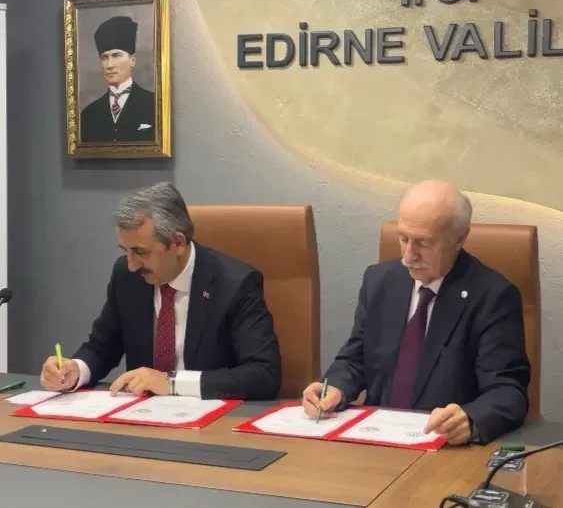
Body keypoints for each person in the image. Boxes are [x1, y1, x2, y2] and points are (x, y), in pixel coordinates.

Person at [302, 180, 530, 445]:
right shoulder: (380, 281)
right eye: (403, 238)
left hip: (443, 445)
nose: (409, 256)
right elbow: (356, 359)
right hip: (374, 438)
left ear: (459, 238)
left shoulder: (493, 296)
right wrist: (334, 388)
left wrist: (471, 418)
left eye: (423, 242)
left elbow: (507, 391)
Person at [40, 182, 282, 400]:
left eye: (141, 252)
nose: (132, 265)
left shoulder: (235, 283)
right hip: (142, 417)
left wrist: (171, 383)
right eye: (125, 251)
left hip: (211, 419)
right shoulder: (126, 276)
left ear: (178, 243)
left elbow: (263, 374)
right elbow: (102, 346)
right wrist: (76, 370)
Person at [80, 15, 155, 143]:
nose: (109, 65)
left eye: (116, 55)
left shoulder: (153, 104)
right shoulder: (89, 114)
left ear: (132, 60)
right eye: (104, 58)